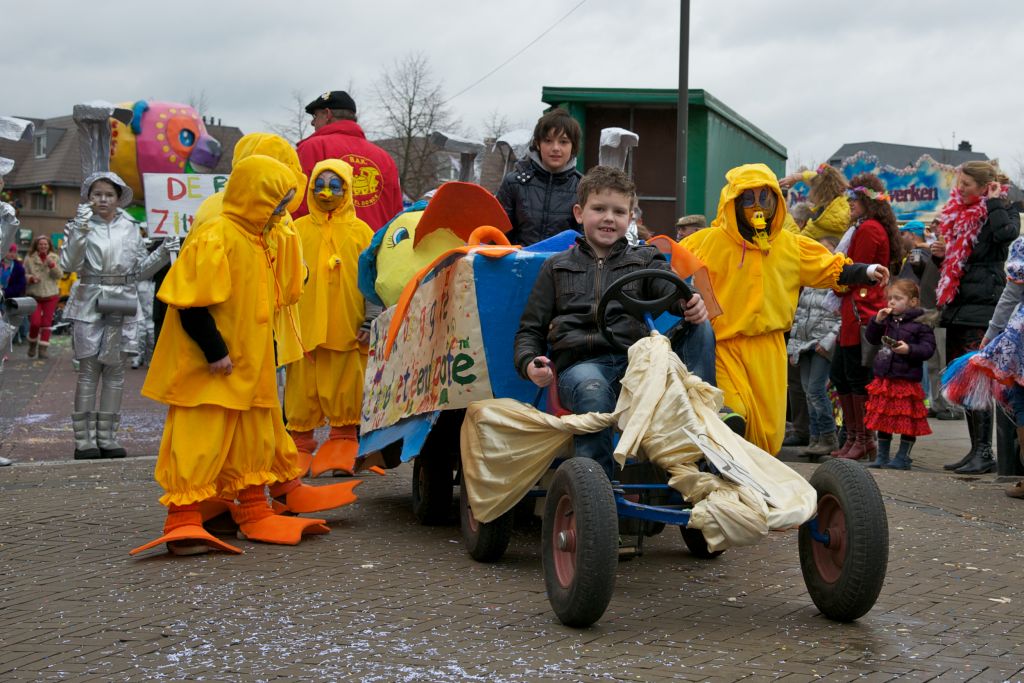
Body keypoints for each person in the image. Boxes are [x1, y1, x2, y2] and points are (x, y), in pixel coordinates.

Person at [132, 155, 330, 557]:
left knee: (253, 437)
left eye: (285, 203)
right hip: (213, 370)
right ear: (256, 197)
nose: (282, 212)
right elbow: (189, 303)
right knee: (199, 439)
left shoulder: (259, 239)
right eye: (277, 203)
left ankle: (254, 509)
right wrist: (215, 351)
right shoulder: (217, 235)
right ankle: (183, 520)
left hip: (250, 369)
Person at [513, 165, 711, 480]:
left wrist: (690, 301)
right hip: (580, 366)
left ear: (630, 217)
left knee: (700, 324)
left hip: (637, 365)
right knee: (594, 390)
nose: (609, 218)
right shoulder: (557, 266)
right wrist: (529, 363)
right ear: (579, 213)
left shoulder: (644, 259)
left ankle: (705, 413)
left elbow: (671, 290)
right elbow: (530, 330)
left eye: (619, 211)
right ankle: (596, 487)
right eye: (599, 209)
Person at [681, 164, 889, 454]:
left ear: (774, 200)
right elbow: (669, 269)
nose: (757, 206)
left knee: (768, 433)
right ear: (733, 201)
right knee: (733, 413)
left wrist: (866, 271)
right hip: (723, 346)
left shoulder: (789, 245)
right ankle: (723, 456)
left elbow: (828, 268)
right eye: (747, 198)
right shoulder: (706, 242)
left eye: (764, 198)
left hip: (770, 349)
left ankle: (753, 474)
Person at [60, 172, 178, 460]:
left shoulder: (130, 227)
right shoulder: (79, 224)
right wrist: (79, 229)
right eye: (97, 194)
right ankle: (84, 440)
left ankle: (108, 437)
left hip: (123, 302)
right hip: (89, 301)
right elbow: (69, 264)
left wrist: (164, 252)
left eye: (109, 194)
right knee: (89, 371)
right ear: (89, 197)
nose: (103, 199)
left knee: (115, 372)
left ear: (118, 198)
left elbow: (139, 272)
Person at [285, 159, 376, 478]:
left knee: (346, 385)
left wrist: (370, 319)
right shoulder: (295, 230)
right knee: (302, 388)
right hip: (304, 329)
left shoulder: (362, 232)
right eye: (319, 186)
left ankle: (343, 440)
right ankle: (299, 444)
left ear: (347, 189)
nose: (326, 193)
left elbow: (373, 279)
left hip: (347, 327)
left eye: (334, 186)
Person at [934, 161, 1019, 474]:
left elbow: (1006, 236)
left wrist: (994, 203)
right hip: (960, 306)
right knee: (964, 380)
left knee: (978, 378)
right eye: (960, 183)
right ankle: (974, 450)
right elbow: (960, 261)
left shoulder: (1004, 209)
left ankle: (984, 452)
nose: (960, 189)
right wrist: (941, 256)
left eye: (966, 184)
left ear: (985, 186)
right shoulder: (960, 213)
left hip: (983, 307)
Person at [826, 173, 901, 461]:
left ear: (868, 200)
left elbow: (858, 272)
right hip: (854, 312)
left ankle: (863, 440)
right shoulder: (865, 226)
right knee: (842, 376)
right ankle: (855, 439)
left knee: (856, 378)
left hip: (861, 313)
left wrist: (834, 283)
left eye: (854, 198)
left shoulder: (869, 229)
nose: (849, 203)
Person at [295, 90, 403, 229]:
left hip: (327, 241)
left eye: (315, 116)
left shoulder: (312, 148)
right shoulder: (385, 158)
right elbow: (396, 214)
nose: (312, 122)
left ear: (327, 114)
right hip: (375, 241)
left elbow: (299, 205)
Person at [863, 279, 936, 469]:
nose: (892, 302)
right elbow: (871, 338)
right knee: (883, 418)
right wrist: (877, 321)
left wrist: (909, 349)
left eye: (897, 298)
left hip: (906, 380)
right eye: (890, 299)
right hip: (885, 378)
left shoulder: (921, 323)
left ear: (912, 302)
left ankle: (903, 457)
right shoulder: (887, 320)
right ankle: (882, 456)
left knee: (907, 420)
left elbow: (928, 349)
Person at [898, 220, 961, 420]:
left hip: (941, 312)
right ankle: (938, 403)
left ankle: (949, 406)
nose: (939, 231)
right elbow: (927, 276)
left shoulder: (954, 252)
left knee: (943, 362)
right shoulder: (933, 252)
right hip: (932, 312)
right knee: (934, 362)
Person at [786, 236, 842, 457]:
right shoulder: (809, 283)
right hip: (804, 345)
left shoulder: (836, 281)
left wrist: (826, 343)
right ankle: (815, 438)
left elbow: (841, 318)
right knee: (808, 392)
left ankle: (828, 436)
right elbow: (799, 316)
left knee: (817, 391)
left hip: (821, 344)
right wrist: (793, 348)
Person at [496, 108, 583, 246]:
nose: (555, 148)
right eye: (548, 141)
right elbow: (497, 237)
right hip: (518, 259)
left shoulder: (583, 188)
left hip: (564, 260)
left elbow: (586, 242)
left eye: (563, 142)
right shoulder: (513, 183)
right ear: (537, 143)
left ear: (573, 146)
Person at [779, 164, 851, 241]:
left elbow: (796, 242)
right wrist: (798, 177)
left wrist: (784, 212)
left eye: (812, 188)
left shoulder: (819, 224)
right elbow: (824, 177)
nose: (809, 193)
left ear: (820, 192)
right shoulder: (842, 204)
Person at [23, 235, 63, 358]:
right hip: (34, 295)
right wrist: (30, 278)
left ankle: (43, 349)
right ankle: (32, 344)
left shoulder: (54, 257)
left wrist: (52, 265)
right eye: (40, 244)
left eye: (45, 244)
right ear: (36, 245)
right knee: (35, 323)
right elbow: (23, 274)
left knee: (46, 323)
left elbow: (59, 275)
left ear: (49, 245)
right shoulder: (29, 258)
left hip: (50, 295)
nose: (43, 246)